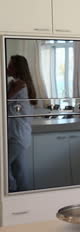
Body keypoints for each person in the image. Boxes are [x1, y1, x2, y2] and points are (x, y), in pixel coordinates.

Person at [6, 55, 36, 192]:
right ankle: (22, 197)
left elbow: (4, 99)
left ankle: (11, 190)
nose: (8, 67)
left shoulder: (19, 84)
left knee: (4, 166)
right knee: (19, 171)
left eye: (10, 65)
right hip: (19, 134)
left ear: (17, 68)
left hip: (18, 135)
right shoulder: (19, 83)